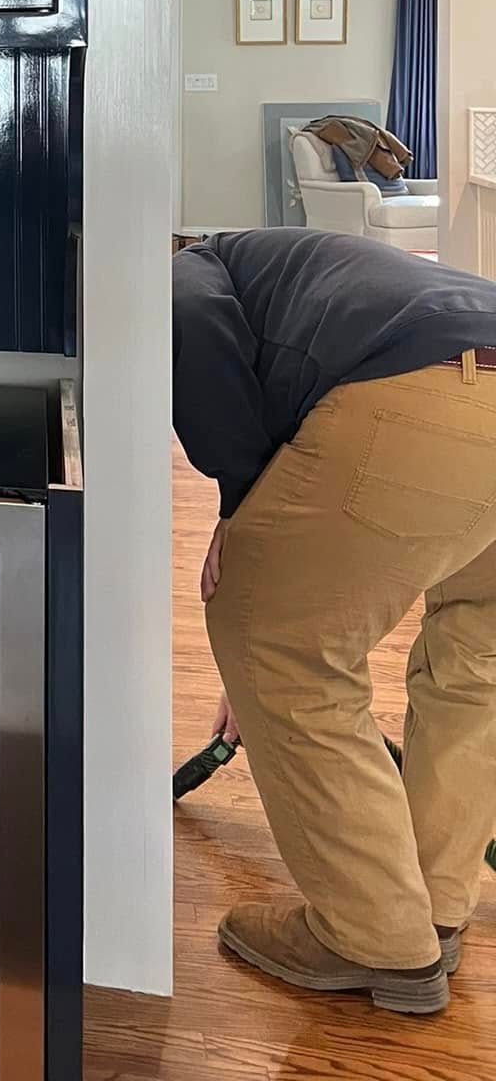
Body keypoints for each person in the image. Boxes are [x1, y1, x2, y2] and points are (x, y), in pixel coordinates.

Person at [172, 226, 496, 1016]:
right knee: (475, 665)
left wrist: (240, 505)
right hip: (468, 365)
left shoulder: (186, 266)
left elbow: (190, 319)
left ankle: (374, 938)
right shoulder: (290, 263)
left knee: (277, 643)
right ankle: (433, 908)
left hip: (423, 395)